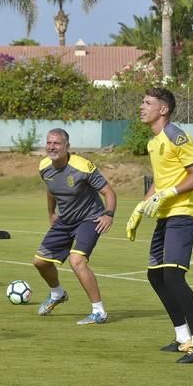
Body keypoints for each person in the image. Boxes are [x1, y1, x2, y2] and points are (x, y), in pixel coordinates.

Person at [126, 87, 193, 364]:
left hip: (183, 214)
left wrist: (170, 193)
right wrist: (141, 205)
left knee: (174, 277)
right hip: (165, 216)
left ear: (163, 109)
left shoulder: (176, 135)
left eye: (147, 102)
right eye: (142, 101)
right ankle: (183, 338)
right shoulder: (153, 142)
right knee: (156, 276)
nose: (141, 106)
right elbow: (161, 181)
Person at [33, 128, 117, 325]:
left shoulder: (83, 167)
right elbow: (51, 190)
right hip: (65, 220)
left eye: (57, 143)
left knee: (76, 260)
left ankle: (99, 312)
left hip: (90, 219)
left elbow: (109, 192)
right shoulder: (44, 166)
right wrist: (51, 213)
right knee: (40, 262)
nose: (52, 147)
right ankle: (57, 293)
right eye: (49, 143)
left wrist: (109, 214)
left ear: (67, 147)